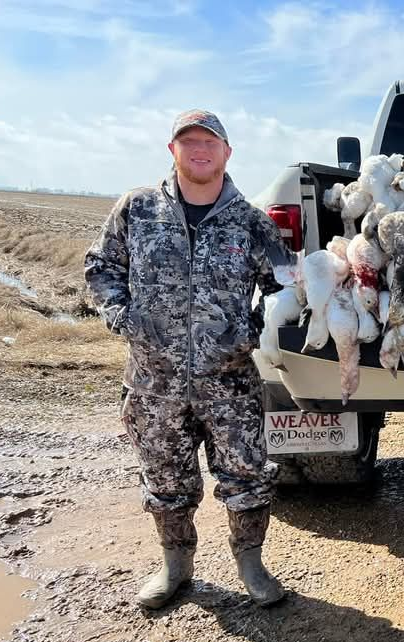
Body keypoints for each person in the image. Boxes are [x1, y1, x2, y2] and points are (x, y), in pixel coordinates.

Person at [85, 110, 292, 608]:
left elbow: (286, 290)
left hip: (231, 384)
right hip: (154, 383)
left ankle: (251, 565)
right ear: (173, 150)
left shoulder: (252, 222)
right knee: (165, 483)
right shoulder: (137, 209)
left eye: (210, 142)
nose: (200, 149)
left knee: (246, 478)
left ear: (226, 153)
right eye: (189, 141)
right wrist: (124, 318)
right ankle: (175, 568)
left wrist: (249, 333)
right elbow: (101, 267)